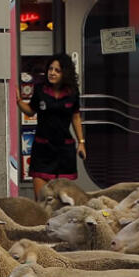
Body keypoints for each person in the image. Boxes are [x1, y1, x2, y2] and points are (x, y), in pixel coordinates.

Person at [15, 54, 86, 200]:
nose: (52, 73)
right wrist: (19, 101)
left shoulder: (72, 92)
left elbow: (75, 116)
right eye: (50, 69)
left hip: (64, 151)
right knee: (41, 201)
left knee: (62, 202)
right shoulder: (40, 90)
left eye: (57, 70)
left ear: (65, 73)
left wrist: (81, 143)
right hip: (42, 150)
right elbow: (31, 110)